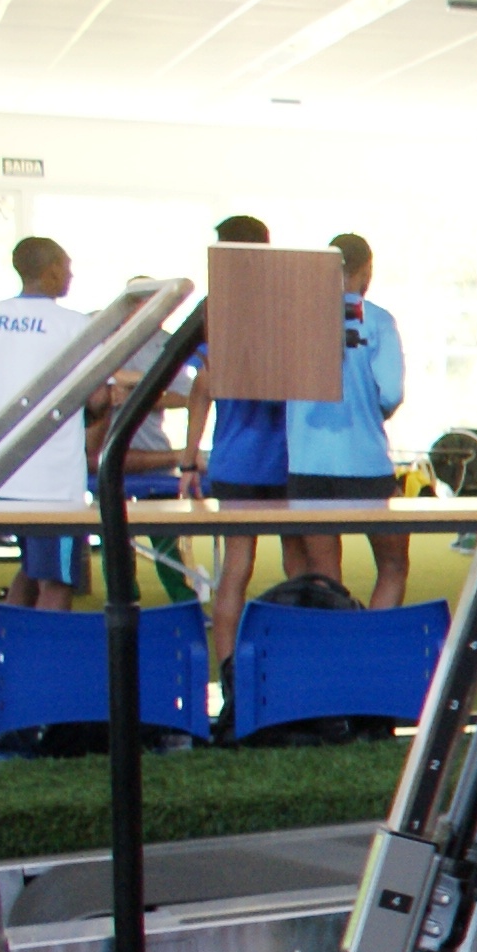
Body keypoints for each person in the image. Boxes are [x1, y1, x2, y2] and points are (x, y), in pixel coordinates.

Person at [0, 237, 102, 610]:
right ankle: (42, 647)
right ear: (52, 270)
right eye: (68, 268)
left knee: (30, 569)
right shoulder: (74, 325)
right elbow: (99, 398)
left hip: (6, 469)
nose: (71, 276)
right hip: (55, 480)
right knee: (57, 582)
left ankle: (8, 638)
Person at [284, 231, 412, 607]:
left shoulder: (295, 320)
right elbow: (391, 392)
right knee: (393, 563)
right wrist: (371, 412)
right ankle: (372, 635)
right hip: (364, 462)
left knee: (324, 573)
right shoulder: (378, 321)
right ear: (366, 270)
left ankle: (336, 639)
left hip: (308, 464)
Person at [187, 213, 294, 659]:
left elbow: (202, 387)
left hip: (241, 460)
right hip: (280, 458)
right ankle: (291, 656)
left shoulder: (215, 309)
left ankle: (230, 665)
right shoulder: (283, 304)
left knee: (238, 566)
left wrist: (189, 459)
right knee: (294, 564)